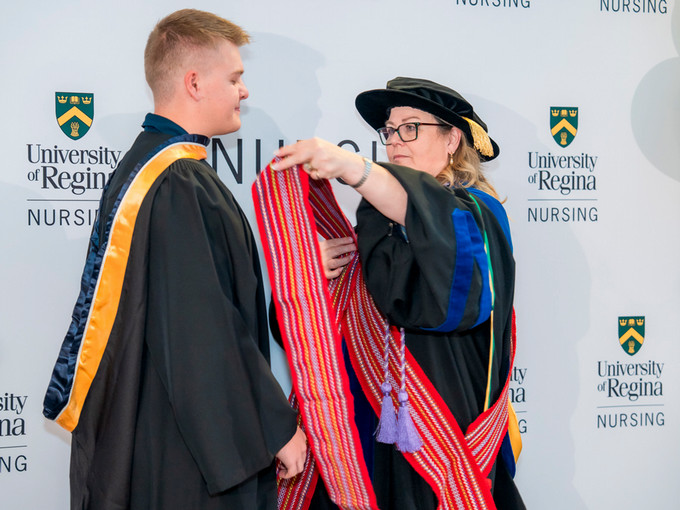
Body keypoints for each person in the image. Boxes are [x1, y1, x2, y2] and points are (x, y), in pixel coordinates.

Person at [42, 9, 306, 510]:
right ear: (194, 82)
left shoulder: (153, 166)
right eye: (235, 78)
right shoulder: (178, 182)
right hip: (176, 446)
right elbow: (202, 329)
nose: (244, 92)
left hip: (153, 418)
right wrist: (273, 427)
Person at [270, 77, 525, 509]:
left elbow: (443, 279)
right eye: (389, 131)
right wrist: (311, 276)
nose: (394, 141)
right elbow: (302, 333)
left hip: (441, 432)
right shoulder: (375, 224)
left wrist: (353, 168)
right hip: (366, 436)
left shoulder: (478, 216)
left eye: (410, 127)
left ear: (452, 139)